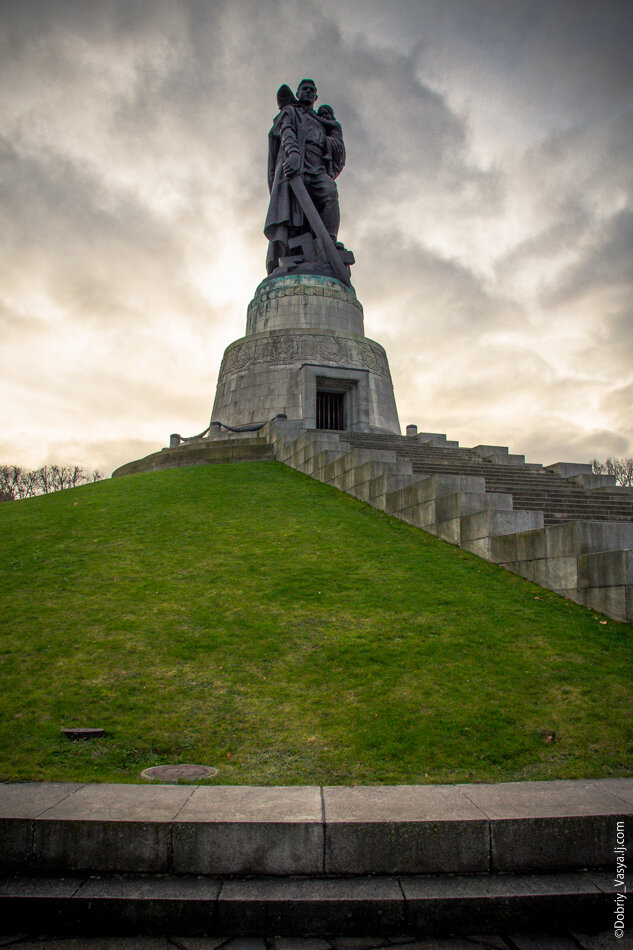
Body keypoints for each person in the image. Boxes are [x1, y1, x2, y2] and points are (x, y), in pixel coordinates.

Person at [264, 79, 345, 276]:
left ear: (316, 96)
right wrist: (292, 153)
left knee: (329, 193)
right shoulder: (291, 112)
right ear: (298, 93)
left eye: (311, 90)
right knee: (291, 214)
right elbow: (286, 131)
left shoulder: (323, 122)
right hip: (295, 168)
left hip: (317, 167)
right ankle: (288, 255)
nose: (308, 92)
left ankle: (329, 242)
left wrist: (332, 137)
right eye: (304, 89)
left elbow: (339, 152)